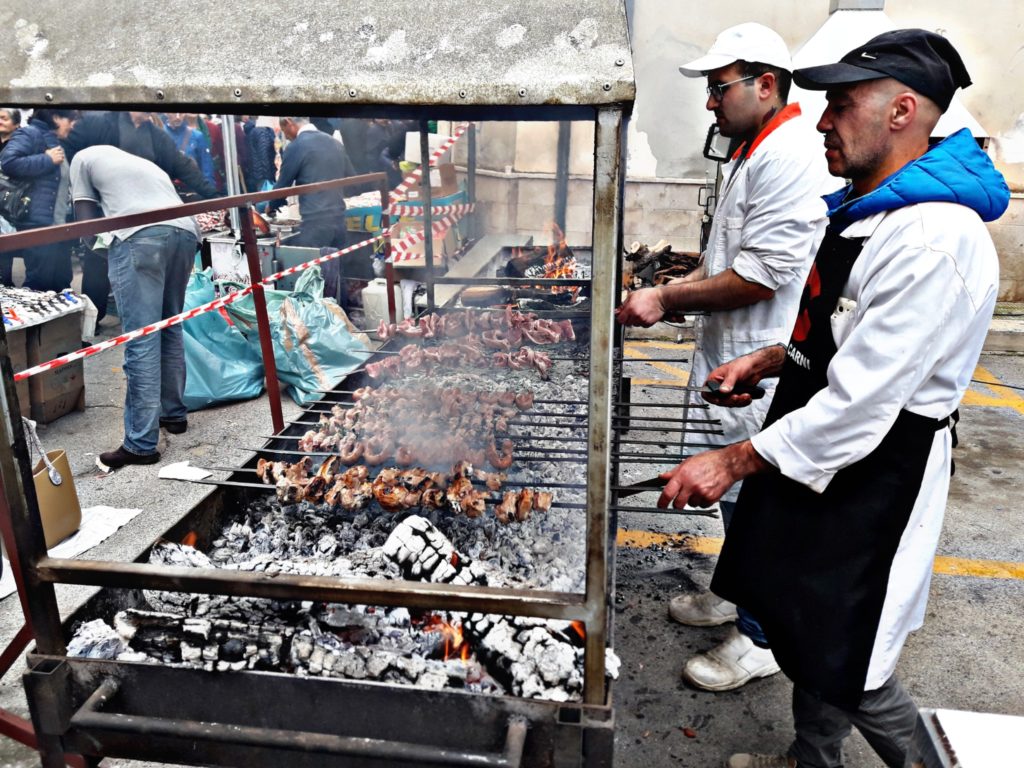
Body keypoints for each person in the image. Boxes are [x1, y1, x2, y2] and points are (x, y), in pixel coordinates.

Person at [654, 29, 1009, 768]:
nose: (822, 121)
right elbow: (852, 334)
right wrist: (778, 357)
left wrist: (733, 460)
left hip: (878, 473)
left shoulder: (933, 239)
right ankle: (808, 760)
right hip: (823, 453)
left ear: (902, 111)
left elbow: (861, 405)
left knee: (854, 663)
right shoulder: (875, 212)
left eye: (841, 105)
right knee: (802, 625)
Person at [615, 23, 834, 693]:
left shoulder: (791, 155)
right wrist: (682, 292)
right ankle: (738, 595)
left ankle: (762, 639)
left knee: (762, 503)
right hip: (729, 354)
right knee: (734, 499)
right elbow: (730, 259)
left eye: (719, 87)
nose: (710, 103)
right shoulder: (751, 149)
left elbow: (762, 274)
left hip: (763, 364)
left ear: (765, 84)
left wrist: (665, 296)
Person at [69, 144, 200, 469]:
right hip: (186, 232)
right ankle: (174, 414)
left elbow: (86, 223)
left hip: (141, 235)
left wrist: (108, 256)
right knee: (170, 326)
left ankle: (141, 443)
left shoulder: (81, 158)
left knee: (142, 338)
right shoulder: (139, 160)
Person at [0, 108, 76, 292]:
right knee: (38, 283)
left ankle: (54, 321)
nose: (73, 125)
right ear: (57, 118)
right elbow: (8, 162)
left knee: (59, 282)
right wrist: (46, 160)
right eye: (70, 120)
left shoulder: (55, 140)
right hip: (39, 224)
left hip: (57, 225)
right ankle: (30, 321)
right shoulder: (30, 133)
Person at [163, 113, 216, 192]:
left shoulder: (197, 136)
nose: (178, 117)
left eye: (180, 113)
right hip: (167, 190)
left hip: (192, 190)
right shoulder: (159, 135)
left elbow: (207, 169)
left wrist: (210, 195)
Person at [0, 106, 24, 281]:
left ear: (16, 124)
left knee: (5, 250)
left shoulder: (21, 144)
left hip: (10, 202)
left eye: (4, 118)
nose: (0, 121)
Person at [242, 115, 277, 193]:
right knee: (266, 199)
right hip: (265, 174)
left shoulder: (251, 130)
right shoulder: (261, 131)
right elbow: (264, 155)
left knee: (261, 197)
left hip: (256, 173)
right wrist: (271, 176)